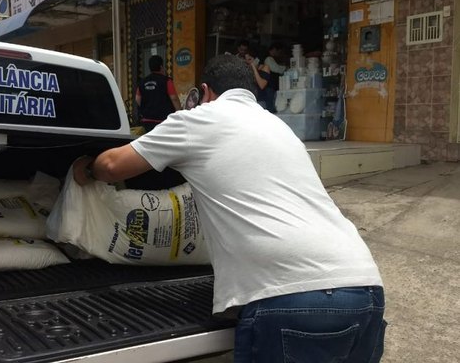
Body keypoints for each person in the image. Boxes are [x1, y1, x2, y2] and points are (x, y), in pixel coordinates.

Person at [73, 54, 386, 363]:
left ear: (206, 92)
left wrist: (85, 171)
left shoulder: (199, 120)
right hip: (365, 288)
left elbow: (113, 166)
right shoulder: (277, 126)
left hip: (291, 297)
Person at [135, 55, 181, 132]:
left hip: (147, 121)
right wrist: (179, 113)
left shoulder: (142, 82)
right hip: (163, 121)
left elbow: (137, 99)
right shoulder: (167, 81)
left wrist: (147, 108)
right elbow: (174, 99)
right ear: (161, 66)